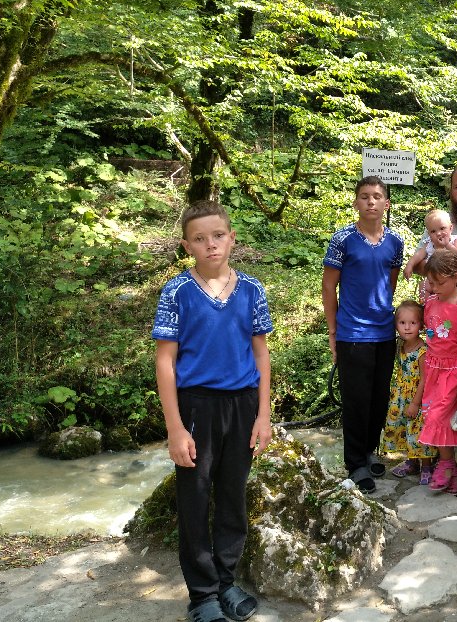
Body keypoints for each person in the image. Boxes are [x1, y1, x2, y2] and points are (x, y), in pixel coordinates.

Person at [152, 200, 273, 622]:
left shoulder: (252, 290)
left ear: (231, 238)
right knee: (195, 498)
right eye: (200, 239)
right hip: (195, 407)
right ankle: (202, 594)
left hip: (242, 405)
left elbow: (261, 354)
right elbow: (165, 361)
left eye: (218, 235)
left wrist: (263, 415)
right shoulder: (177, 292)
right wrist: (175, 428)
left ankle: (226, 581)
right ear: (188, 246)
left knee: (232, 496)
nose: (211, 245)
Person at [322, 176, 404, 495]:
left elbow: (390, 283)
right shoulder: (342, 240)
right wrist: (333, 330)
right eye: (365, 196)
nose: (371, 201)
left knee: (378, 398)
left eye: (377, 196)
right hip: (352, 332)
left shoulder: (395, 242)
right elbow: (329, 286)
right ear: (356, 202)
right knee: (355, 400)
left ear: (386, 203)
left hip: (384, 331)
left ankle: (369, 451)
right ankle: (355, 463)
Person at [417, 250, 457, 495]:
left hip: (453, 373)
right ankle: (452, 471)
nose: (433, 288)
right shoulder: (432, 302)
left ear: (456, 277)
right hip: (433, 369)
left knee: (439, 418)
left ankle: (445, 465)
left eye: (439, 283)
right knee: (433, 416)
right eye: (431, 283)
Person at [381, 301, 436, 486]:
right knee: (405, 428)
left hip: (417, 397)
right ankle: (412, 463)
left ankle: (427, 465)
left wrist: (415, 403)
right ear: (396, 325)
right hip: (400, 397)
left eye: (413, 323)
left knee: (418, 430)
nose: (407, 327)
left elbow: (425, 379)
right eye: (402, 323)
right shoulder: (400, 345)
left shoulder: (422, 350)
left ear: (421, 325)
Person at [402, 209, 457, 280]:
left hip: (453, 278)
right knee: (423, 285)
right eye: (433, 231)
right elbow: (417, 256)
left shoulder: (455, 241)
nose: (438, 233)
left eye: (442, 228)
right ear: (429, 234)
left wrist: (447, 245)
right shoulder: (429, 244)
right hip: (434, 279)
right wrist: (409, 265)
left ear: (451, 228)